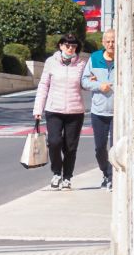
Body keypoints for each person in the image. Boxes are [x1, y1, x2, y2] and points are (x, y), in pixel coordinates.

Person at [33, 33, 88, 190]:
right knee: (54, 143)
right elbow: (44, 85)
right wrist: (38, 108)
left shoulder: (82, 64)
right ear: (60, 45)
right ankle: (57, 172)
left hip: (75, 111)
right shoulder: (51, 62)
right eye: (67, 45)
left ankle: (67, 177)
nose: (70, 49)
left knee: (71, 146)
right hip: (54, 109)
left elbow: (84, 85)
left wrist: (92, 81)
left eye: (74, 46)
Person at [81, 28, 116, 190]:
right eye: (108, 41)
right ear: (103, 43)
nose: (111, 44)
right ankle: (105, 172)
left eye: (113, 41)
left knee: (116, 147)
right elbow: (84, 81)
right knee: (100, 147)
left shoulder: (124, 57)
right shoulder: (94, 58)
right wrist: (98, 85)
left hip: (118, 113)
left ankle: (112, 177)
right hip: (99, 111)